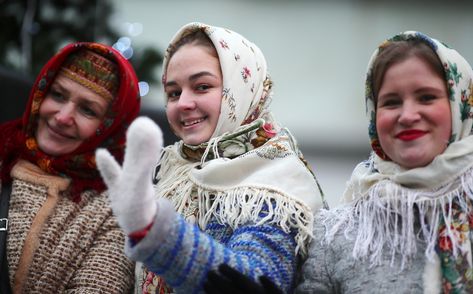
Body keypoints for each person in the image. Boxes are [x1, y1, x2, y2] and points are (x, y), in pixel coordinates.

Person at [96, 22, 325, 294]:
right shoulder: (171, 170)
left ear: (242, 88)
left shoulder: (274, 183)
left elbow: (258, 282)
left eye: (202, 86)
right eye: (173, 93)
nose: (183, 103)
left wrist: (158, 233)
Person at [296, 31, 473, 293]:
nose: (408, 115)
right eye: (391, 102)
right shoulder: (334, 232)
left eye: (426, 97)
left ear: (461, 105)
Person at [0, 42, 141, 293]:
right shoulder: (5, 149)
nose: (63, 117)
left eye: (87, 110)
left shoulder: (115, 212)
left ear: (110, 127)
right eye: (58, 95)